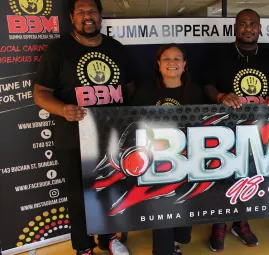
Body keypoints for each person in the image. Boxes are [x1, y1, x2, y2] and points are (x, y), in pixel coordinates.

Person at [33, 0, 134, 254]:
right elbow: (40, 93)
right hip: (73, 138)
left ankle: (109, 238)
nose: (87, 17)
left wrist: (122, 112)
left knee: (111, 190)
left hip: (111, 138)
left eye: (92, 11)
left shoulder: (117, 49)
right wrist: (63, 110)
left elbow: (131, 86)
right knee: (78, 197)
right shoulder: (58, 50)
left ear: (100, 16)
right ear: (72, 17)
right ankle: (83, 246)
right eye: (81, 12)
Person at [203, 8, 269, 252]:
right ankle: (218, 224)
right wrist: (220, 95)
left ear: (260, 28)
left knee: (250, 176)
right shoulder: (220, 55)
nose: (248, 28)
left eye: (253, 24)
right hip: (225, 129)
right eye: (243, 23)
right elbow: (206, 85)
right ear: (235, 27)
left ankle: (241, 222)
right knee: (222, 177)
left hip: (259, 130)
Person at [129, 43, 202, 255]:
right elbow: (130, 123)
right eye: (166, 59)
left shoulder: (195, 91)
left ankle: (175, 242)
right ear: (159, 64)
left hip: (188, 161)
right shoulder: (145, 92)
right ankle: (163, 250)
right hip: (155, 163)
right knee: (162, 208)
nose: (172, 63)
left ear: (185, 64)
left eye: (177, 59)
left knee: (182, 207)